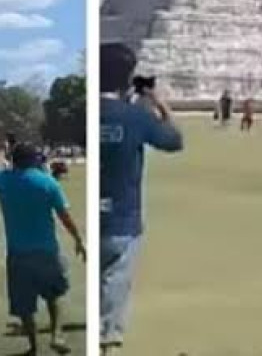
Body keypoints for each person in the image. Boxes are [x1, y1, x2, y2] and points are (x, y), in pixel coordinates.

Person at [100, 43, 184, 354]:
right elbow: (175, 141)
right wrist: (159, 103)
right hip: (122, 220)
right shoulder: (136, 116)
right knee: (114, 296)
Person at [0, 142, 86, 356]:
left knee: (25, 306)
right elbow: (64, 216)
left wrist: (2, 150)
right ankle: (56, 334)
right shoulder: (48, 182)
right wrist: (78, 239)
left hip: (18, 254)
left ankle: (34, 347)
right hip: (47, 251)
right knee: (54, 295)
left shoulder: (4, 181)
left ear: (14, 161)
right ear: (35, 159)